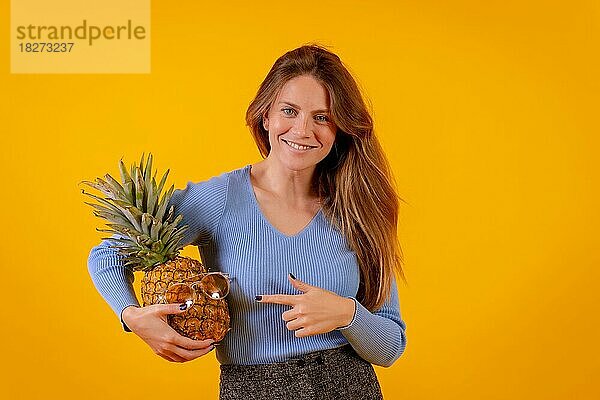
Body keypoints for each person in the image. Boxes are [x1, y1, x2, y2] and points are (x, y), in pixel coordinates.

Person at [88, 43, 407, 400]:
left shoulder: (356, 209)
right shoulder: (220, 199)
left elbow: (391, 346)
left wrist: (347, 314)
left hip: (350, 388)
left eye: (322, 117)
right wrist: (130, 315)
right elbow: (108, 256)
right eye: (290, 111)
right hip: (253, 389)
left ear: (340, 130)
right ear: (265, 116)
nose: (303, 130)